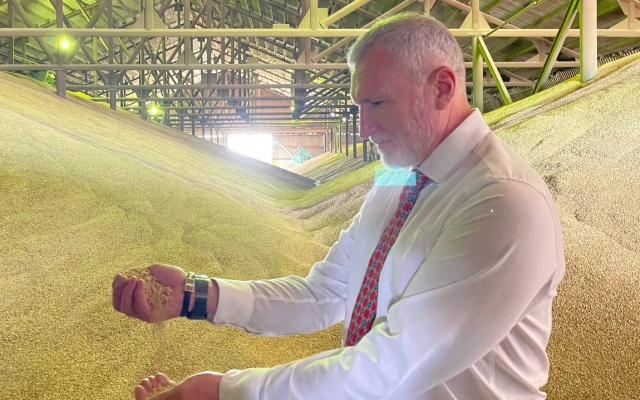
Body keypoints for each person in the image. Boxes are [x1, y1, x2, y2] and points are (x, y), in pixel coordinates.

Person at [112, 12, 565, 400]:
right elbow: (325, 293)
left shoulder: (503, 203)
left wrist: (222, 391)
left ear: (442, 88)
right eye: (359, 106)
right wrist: (196, 295)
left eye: (378, 103)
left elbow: (392, 364)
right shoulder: (399, 177)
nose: (364, 127)